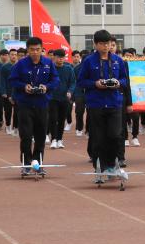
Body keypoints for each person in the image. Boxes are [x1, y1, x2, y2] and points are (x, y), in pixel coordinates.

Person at [77, 30, 129, 178]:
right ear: (95, 44)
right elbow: (81, 81)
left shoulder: (118, 60)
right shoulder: (88, 61)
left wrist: (118, 83)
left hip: (114, 103)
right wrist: (95, 83)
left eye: (108, 44)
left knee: (115, 135)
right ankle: (99, 165)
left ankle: (112, 164)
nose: (105, 47)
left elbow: (125, 80)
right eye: (102, 44)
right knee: (98, 137)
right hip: (96, 103)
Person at [7, 37, 61, 172]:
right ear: (28, 50)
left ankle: (38, 163)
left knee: (41, 136)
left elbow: (55, 80)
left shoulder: (48, 63)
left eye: (38, 49)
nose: (35, 52)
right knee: (26, 135)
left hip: (42, 104)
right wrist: (24, 86)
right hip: (25, 104)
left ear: (42, 49)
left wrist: (46, 87)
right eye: (32, 49)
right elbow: (12, 80)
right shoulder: (21, 64)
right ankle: (26, 163)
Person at [48, 49, 75, 150]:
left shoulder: (69, 69)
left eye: (62, 57)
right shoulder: (50, 69)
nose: (61, 59)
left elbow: (73, 82)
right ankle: (54, 139)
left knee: (61, 119)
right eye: (59, 57)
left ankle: (60, 139)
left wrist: (70, 91)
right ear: (54, 57)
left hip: (64, 98)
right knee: (53, 118)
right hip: (52, 98)